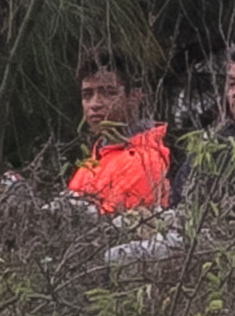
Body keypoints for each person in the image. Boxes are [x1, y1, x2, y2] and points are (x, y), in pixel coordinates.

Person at [67, 49, 172, 213]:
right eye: (87, 95)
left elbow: (126, 225)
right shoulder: (92, 162)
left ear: (134, 97)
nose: (95, 104)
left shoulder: (144, 160)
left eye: (108, 93)